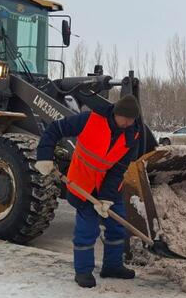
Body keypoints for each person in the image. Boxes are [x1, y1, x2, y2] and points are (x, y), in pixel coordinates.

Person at [34, 94, 142, 288]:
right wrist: (44, 156)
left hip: (109, 185)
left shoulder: (132, 135)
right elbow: (55, 129)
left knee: (117, 226)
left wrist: (107, 198)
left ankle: (112, 266)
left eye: (132, 119)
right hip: (82, 183)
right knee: (88, 230)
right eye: (125, 118)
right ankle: (83, 271)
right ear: (115, 113)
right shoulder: (89, 120)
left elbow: (118, 169)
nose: (128, 123)